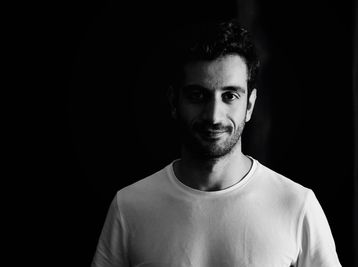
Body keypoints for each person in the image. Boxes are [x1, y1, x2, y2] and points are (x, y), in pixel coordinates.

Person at [91, 19, 342, 267]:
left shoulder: (297, 205)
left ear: (250, 105)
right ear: (173, 102)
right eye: (197, 95)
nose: (213, 115)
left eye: (230, 96)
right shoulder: (130, 206)